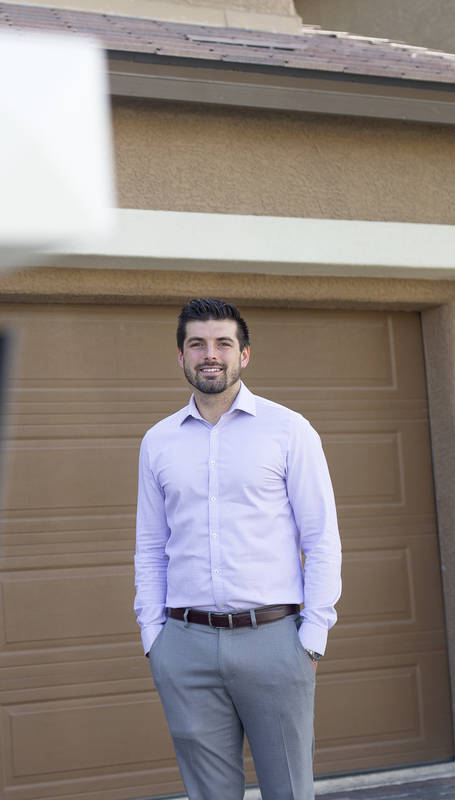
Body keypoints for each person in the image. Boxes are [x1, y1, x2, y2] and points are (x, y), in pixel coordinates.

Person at [134, 298, 342, 800]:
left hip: (273, 640)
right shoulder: (158, 441)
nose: (211, 354)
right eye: (197, 344)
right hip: (185, 644)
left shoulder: (289, 430)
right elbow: (150, 546)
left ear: (244, 355)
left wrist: (312, 637)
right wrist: (153, 636)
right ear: (180, 357)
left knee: (288, 791)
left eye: (223, 343)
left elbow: (321, 539)